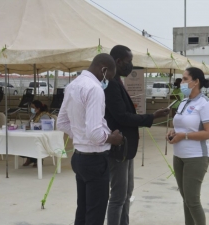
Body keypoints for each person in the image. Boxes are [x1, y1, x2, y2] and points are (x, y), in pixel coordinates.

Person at [105, 45, 170, 225]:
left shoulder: (118, 81)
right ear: (118, 62)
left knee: (127, 192)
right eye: (129, 61)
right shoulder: (110, 85)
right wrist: (152, 117)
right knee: (118, 196)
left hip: (127, 148)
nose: (131, 65)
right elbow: (122, 117)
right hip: (118, 148)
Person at [57, 53, 123, 225]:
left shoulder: (72, 85)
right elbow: (95, 133)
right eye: (108, 76)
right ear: (103, 69)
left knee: (83, 209)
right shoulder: (95, 89)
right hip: (95, 160)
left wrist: (79, 136)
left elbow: (61, 122)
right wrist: (113, 139)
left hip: (79, 157)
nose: (107, 81)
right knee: (95, 214)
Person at [166, 67, 209, 225]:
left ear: (196, 82)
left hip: (196, 157)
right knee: (185, 199)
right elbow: (182, 126)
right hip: (179, 156)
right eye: (182, 79)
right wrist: (173, 132)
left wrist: (184, 136)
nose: (182, 82)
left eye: (186, 79)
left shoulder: (205, 103)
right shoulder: (184, 102)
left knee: (193, 201)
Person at [22, 100, 51, 167]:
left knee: (34, 142)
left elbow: (44, 126)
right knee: (23, 142)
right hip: (32, 134)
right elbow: (29, 123)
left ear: (38, 108)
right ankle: (29, 158)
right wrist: (25, 126)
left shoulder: (45, 115)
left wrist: (33, 126)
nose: (31, 108)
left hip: (41, 136)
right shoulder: (34, 115)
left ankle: (37, 160)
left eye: (33, 107)